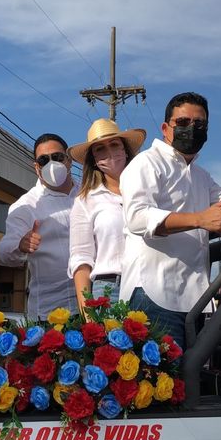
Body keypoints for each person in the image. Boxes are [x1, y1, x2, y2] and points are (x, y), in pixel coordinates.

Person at [120, 92, 221, 349]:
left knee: (189, 383)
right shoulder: (146, 164)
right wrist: (199, 220)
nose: (191, 129)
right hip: (153, 295)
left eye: (199, 124)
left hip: (193, 299)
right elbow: (137, 217)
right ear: (166, 128)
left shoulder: (201, 175)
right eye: (183, 123)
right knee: (159, 386)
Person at [67, 119, 145, 313]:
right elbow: (81, 261)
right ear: (93, 159)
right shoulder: (85, 201)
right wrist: (88, 314)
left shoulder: (149, 191)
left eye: (114, 144)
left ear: (125, 149)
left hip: (151, 285)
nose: (109, 152)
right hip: (109, 290)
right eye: (99, 148)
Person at [0, 133, 78, 320]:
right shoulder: (27, 206)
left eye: (57, 157)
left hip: (93, 305)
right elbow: (3, 252)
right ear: (37, 167)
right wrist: (20, 245)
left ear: (69, 160)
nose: (51, 164)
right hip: (49, 314)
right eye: (44, 160)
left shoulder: (87, 192)